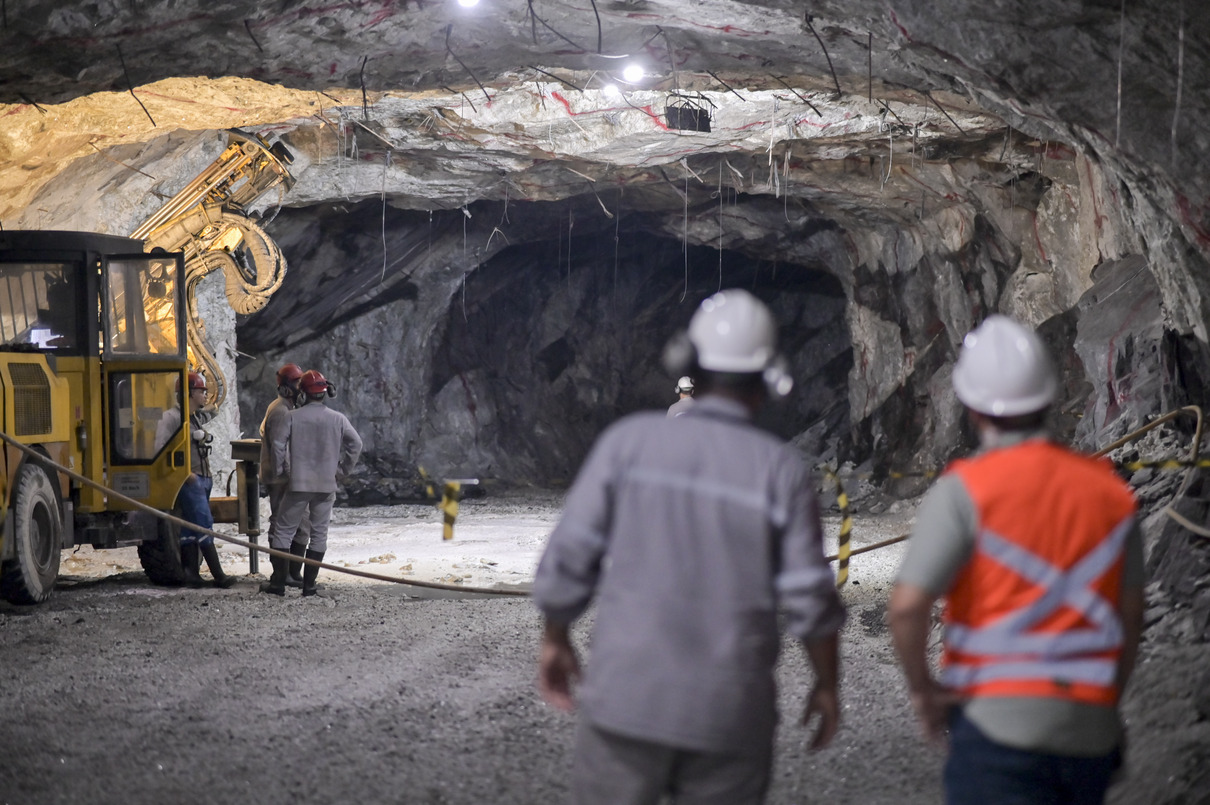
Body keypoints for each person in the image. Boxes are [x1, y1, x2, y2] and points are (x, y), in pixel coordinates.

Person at [534, 289, 845, 804]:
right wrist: (827, 683)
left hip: (625, 702)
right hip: (730, 715)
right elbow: (811, 599)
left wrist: (555, 637)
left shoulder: (627, 444)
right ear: (769, 379)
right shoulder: (780, 471)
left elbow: (569, 555)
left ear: (687, 364)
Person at [888, 315, 1144, 805]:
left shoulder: (965, 490)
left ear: (972, 408)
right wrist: (1104, 707)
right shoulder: (1111, 493)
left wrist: (923, 692)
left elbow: (906, 608)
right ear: (1049, 399)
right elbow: (1130, 618)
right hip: (1089, 734)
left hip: (995, 731)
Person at [264, 369, 363, 597]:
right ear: (325, 392)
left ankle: (278, 584)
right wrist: (342, 471)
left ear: (303, 393)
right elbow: (356, 445)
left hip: (298, 484)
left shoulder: (292, 417)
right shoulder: (338, 419)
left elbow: (278, 445)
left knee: (283, 532)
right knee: (319, 534)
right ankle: (309, 586)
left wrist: (279, 472)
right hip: (326, 485)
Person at [154, 372, 237, 589]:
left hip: (202, 478)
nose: (205, 395)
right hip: (190, 481)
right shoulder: (171, 418)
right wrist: (185, 474)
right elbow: (160, 449)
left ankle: (191, 574)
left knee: (190, 529)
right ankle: (219, 575)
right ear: (189, 393)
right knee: (204, 523)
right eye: (202, 391)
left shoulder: (194, 417)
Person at [259, 362, 310, 587]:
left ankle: (293, 574)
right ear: (287, 388)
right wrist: (284, 476)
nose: (302, 387)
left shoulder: (287, 408)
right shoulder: (280, 410)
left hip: (290, 477)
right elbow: (279, 447)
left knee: (302, 524)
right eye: (298, 383)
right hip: (282, 480)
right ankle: (281, 575)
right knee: (281, 524)